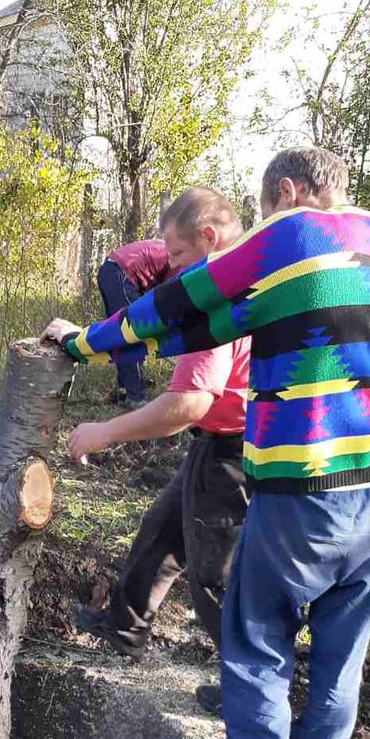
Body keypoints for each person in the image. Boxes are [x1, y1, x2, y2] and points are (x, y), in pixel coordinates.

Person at [43, 146, 370, 739]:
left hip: (301, 489)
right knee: (343, 654)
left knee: (255, 643)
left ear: (286, 189)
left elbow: (182, 306)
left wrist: (83, 344)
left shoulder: (291, 236)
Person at [74, 189, 248, 710]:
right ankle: (124, 630)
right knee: (163, 530)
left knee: (213, 575)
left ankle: (250, 690)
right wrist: (82, 338)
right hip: (215, 443)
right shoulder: (231, 283)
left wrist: (105, 431)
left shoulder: (216, 300)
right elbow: (139, 332)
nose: (169, 267)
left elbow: (187, 404)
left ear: (208, 239)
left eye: (174, 255)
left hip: (234, 453)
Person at [96, 237, 172, 406]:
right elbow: (169, 294)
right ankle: (135, 396)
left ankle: (125, 387)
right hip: (121, 273)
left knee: (120, 333)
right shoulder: (182, 257)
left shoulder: (174, 247)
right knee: (132, 333)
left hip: (111, 271)